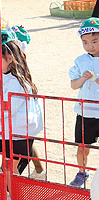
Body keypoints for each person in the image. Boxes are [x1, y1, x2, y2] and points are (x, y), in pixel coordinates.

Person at [0, 29, 43, 189]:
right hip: (10, 132)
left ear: (10, 57)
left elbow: (8, 106)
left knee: (9, 170)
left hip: (18, 133)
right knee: (8, 170)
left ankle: (12, 194)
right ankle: (11, 193)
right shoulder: (5, 76)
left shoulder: (16, 81)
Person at [69, 17, 99, 187]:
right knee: (82, 147)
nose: (90, 46)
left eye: (95, 41)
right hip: (85, 111)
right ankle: (82, 172)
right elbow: (73, 85)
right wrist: (82, 79)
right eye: (85, 42)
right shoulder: (80, 61)